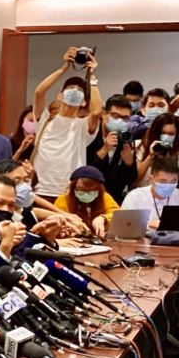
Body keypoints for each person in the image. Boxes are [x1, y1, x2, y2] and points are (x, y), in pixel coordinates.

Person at [30, 47, 102, 201]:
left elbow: (96, 112)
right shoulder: (45, 118)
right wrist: (64, 67)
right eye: (70, 88)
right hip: (39, 188)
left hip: (69, 191)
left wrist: (92, 75)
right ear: (60, 96)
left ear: (83, 102)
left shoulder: (82, 126)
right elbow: (39, 92)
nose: (74, 91)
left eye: (79, 90)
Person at [87, 94, 138, 203]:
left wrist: (129, 163)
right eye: (115, 116)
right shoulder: (90, 135)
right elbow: (85, 170)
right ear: (104, 114)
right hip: (89, 195)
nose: (120, 121)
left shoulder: (125, 139)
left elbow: (131, 179)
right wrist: (104, 150)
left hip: (114, 199)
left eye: (125, 118)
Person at [121, 155, 179, 230]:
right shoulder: (134, 197)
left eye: (173, 182)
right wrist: (148, 225)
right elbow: (123, 227)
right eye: (163, 181)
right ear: (151, 179)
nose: (168, 186)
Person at [54, 166, 120, 238]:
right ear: (73, 188)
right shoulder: (64, 199)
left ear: (99, 190)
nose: (86, 194)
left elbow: (118, 213)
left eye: (91, 191)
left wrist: (103, 218)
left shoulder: (105, 197)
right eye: (81, 190)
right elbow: (55, 219)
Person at [135, 113, 179, 187]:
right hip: (141, 193)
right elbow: (135, 180)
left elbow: (173, 181)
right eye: (163, 133)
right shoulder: (139, 146)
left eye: (171, 134)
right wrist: (150, 156)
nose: (166, 137)